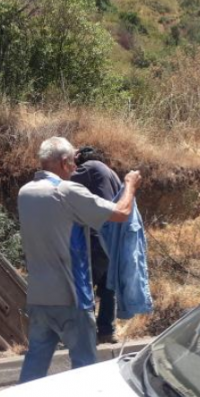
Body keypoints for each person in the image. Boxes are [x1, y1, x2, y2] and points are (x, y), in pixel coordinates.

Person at [17, 137, 140, 383]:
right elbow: (121, 213)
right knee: (85, 367)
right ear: (64, 162)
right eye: (73, 161)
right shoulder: (67, 191)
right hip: (72, 296)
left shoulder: (25, 192)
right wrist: (130, 185)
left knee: (35, 364)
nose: (76, 167)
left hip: (39, 297)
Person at [70, 147, 121, 343]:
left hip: (95, 237)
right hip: (112, 239)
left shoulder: (90, 167)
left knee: (85, 284)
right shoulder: (111, 173)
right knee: (109, 289)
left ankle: (87, 332)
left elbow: (62, 182)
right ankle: (107, 331)